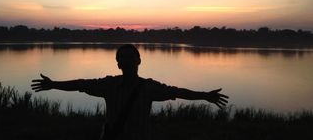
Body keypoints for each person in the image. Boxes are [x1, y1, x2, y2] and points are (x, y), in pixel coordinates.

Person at [31, 44, 228, 140]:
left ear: (138, 61)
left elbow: (177, 91)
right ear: (119, 64)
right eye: (124, 58)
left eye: (129, 57)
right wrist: (54, 84)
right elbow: (81, 84)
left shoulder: (147, 87)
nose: (127, 61)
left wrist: (204, 96)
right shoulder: (110, 85)